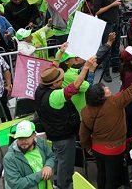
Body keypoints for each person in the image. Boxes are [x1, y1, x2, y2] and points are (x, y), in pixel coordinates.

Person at [80, 59, 132, 189]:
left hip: (97, 148)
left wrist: (88, 147)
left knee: (101, 175)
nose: (108, 87)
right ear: (102, 96)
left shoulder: (86, 110)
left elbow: (83, 133)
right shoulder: (116, 102)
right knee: (113, 179)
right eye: (105, 89)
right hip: (115, 150)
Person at [36, 58, 97, 189]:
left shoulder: (40, 89)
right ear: (53, 84)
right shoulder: (55, 96)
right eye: (60, 80)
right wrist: (86, 68)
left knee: (59, 159)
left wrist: (60, 54)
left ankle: (58, 182)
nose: (63, 81)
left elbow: (51, 69)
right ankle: (64, 185)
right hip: (64, 135)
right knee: (66, 163)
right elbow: (74, 87)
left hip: (54, 132)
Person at [3, 120, 56, 189]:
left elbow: (51, 156)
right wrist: (41, 174)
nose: (23, 141)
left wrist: (48, 166)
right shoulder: (9, 158)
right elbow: (16, 184)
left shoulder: (41, 142)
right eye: (20, 138)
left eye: (26, 137)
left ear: (34, 135)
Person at [92, 0, 123, 82]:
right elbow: (97, 11)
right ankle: (106, 72)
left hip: (116, 20)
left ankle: (116, 66)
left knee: (115, 46)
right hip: (106, 23)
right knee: (107, 47)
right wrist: (111, 5)